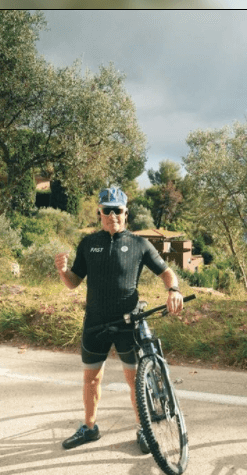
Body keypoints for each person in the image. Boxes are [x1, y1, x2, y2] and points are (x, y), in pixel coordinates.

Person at [54, 186, 185, 453]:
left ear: (126, 213)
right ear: (99, 213)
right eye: (107, 210)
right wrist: (63, 271)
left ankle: (143, 428)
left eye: (118, 210)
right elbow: (74, 283)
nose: (112, 215)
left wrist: (173, 290)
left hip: (128, 323)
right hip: (95, 323)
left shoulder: (140, 244)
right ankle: (89, 428)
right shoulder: (89, 244)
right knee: (91, 379)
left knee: (134, 379)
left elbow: (167, 272)